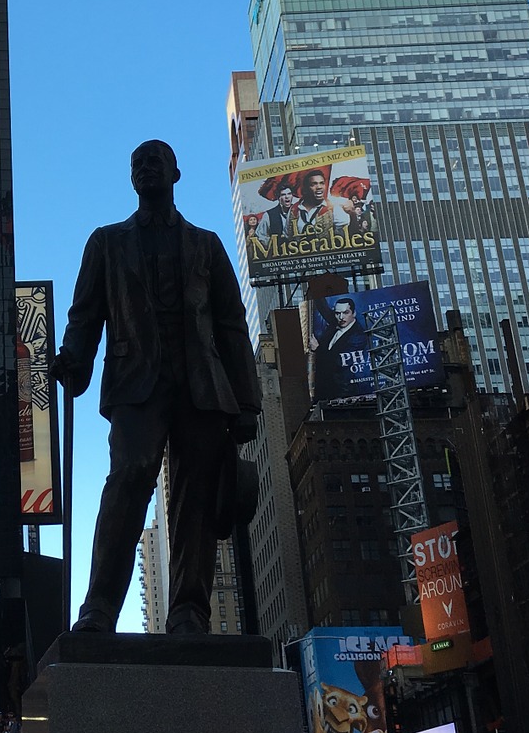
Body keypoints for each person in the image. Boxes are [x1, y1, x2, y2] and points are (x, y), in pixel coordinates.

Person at [53, 140, 261, 634]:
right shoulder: (106, 242)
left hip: (201, 387)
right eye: (137, 164)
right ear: (132, 179)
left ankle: (190, 610)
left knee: (195, 497)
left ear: (175, 173)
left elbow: (232, 325)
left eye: (155, 161)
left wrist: (247, 400)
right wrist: (74, 361)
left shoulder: (206, 245)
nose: (145, 169)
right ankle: (100, 606)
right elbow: (85, 315)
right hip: (135, 384)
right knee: (127, 481)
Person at [308, 297, 370, 401]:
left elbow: (338, 362)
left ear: (353, 313)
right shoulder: (336, 324)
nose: (341, 317)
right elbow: (324, 309)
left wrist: (317, 349)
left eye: (346, 312)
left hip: (341, 394)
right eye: (337, 313)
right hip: (324, 391)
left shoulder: (358, 336)